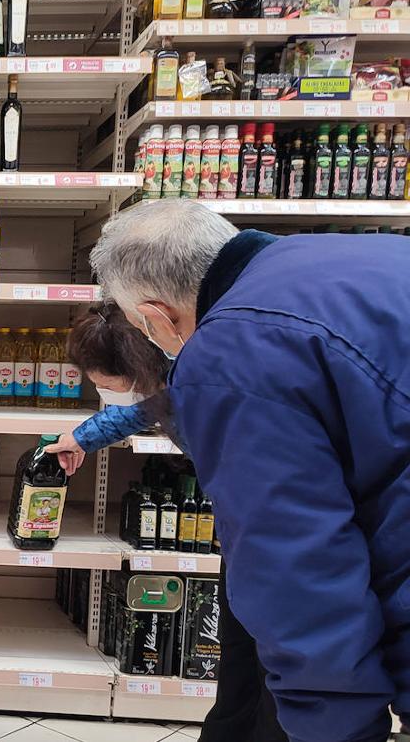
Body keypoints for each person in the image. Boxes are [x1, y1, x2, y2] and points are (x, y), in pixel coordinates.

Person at [90, 199, 410, 742]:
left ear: (156, 316)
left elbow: (297, 568)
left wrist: (339, 729)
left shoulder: (228, 351)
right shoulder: (358, 258)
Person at [46, 302, 288, 742]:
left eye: (102, 382)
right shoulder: (164, 378)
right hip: (241, 529)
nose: (99, 389)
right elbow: (139, 407)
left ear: (136, 366)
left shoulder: (208, 381)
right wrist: (80, 437)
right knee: (237, 651)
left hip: (278, 531)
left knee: (275, 662)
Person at [42, 302, 170, 476]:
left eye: (107, 385)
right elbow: (141, 410)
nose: (101, 391)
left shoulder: (194, 382)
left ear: (139, 370)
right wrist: (80, 438)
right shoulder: (162, 387)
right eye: (96, 384)